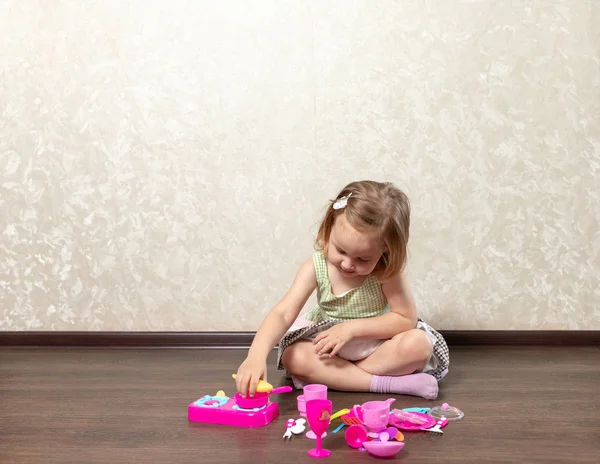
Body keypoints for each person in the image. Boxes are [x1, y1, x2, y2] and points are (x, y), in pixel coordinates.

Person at [235, 180, 449, 400]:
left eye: (363, 258)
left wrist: (351, 329)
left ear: (385, 250)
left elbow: (405, 319)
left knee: (419, 346)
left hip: (378, 346)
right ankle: (387, 384)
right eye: (340, 250)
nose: (347, 264)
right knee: (293, 356)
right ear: (329, 229)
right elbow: (283, 313)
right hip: (329, 349)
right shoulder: (316, 267)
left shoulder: (385, 271)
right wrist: (256, 355)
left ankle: (343, 378)